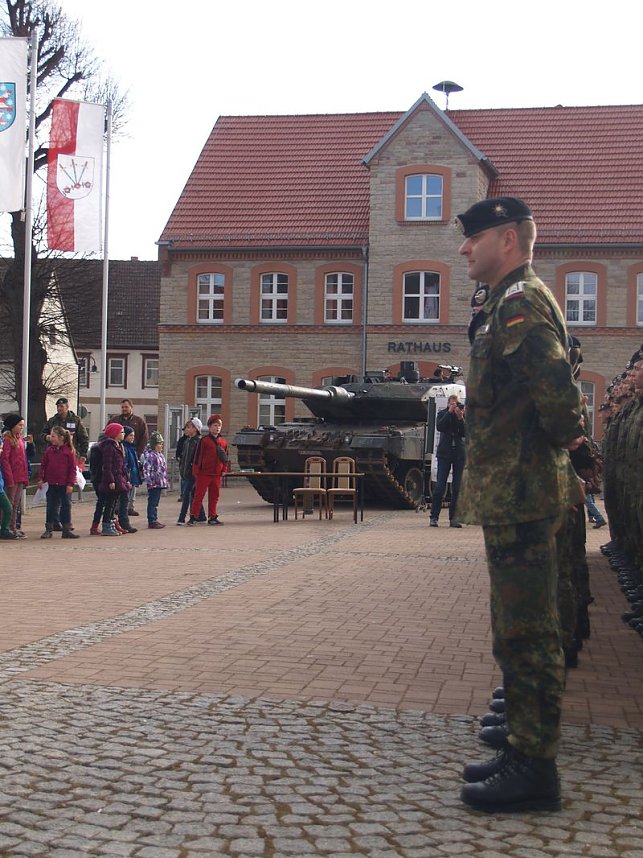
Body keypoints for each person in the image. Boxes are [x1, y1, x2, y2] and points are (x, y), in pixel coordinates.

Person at [454, 197, 585, 813]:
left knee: (529, 632)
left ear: (507, 239)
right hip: (514, 490)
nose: (464, 248)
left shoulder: (520, 303)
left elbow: (560, 401)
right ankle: (521, 749)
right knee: (515, 628)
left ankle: (535, 768)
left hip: (525, 489)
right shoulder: (507, 300)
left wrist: (546, 454)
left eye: (474, 237)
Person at [429, 394, 465, 528]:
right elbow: (440, 427)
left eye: (457, 404)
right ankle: (434, 517)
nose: (455, 406)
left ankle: (454, 518)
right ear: (448, 404)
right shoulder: (443, 414)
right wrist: (450, 413)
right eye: (452, 404)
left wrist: (461, 418)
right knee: (439, 486)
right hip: (444, 454)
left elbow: (465, 432)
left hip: (459, 454)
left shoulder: (462, 415)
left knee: (457, 487)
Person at [37, 426, 80, 539]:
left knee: (66, 506)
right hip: (51, 483)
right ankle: (49, 528)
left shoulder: (69, 451)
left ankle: (66, 529)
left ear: (61, 438)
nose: (51, 438)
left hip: (64, 483)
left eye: (53, 436)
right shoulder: (49, 450)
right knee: (51, 506)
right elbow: (43, 465)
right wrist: (41, 478)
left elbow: (72, 469)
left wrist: (70, 484)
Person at [188, 414, 228, 526]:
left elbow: (225, 457)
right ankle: (193, 516)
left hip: (217, 473)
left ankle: (212, 516)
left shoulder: (223, 441)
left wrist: (224, 469)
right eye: (215, 425)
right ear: (210, 427)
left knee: (214, 496)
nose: (217, 428)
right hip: (204, 473)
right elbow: (198, 456)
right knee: (199, 495)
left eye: (219, 426)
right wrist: (196, 470)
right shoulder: (204, 441)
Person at [113, 399, 148, 516]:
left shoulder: (139, 421)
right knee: (121, 481)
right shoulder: (115, 420)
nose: (124, 409)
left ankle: (130, 506)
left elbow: (144, 438)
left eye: (126, 407)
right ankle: (118, 506)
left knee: (133, 480)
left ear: (131, 407)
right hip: (119, 454)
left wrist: (138, 453)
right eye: (122, 407)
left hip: (133, 455)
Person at [97, 423, 131, 536]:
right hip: (113, 480)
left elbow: (122, 465)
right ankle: (106, 525)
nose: (123, 434)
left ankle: (111, 524)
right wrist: (111, 480)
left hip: (119, 478)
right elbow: (107, 465)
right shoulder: (109, 447)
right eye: (121, 432)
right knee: (110, 503)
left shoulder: (118, 446)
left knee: (114, 502)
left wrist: (126, 478)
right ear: (115, 433)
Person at [0, 414, 29, 538]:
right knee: (10, 503)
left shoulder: (20, 439)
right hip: (12, 476)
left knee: (16, 504)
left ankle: (13, 527)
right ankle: (5, 527)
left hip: (20, 476)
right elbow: (5, 460)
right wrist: (9, 478)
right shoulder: (8, 440)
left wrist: (25, 477)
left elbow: (23, 459)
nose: (22, 427)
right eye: (19, 425)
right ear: (12, 426)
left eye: (22, 425)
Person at [176, 417, 206, 525]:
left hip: (193, 473)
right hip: (186, 472)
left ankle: (182, 517)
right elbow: (184, 457)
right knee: (193, 494)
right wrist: (182, 467)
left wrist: (194, 469)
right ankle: (201, 516)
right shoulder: (187, 441)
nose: (186, 429)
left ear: (195, 429)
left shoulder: (198, 442)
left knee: (186, 495)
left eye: (189, 427)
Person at [141, 431, 168, 529]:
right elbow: (146, 469)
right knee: (152, 502)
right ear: (154, 445)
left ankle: (154, 519)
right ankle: (152, 520)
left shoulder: (160, 455)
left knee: (155, 502)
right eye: (159, 444)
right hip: (153, 483)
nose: (161, 446)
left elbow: (163, 469)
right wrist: (149, 482)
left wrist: (164, 481)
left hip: (159, 482)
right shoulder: (150, 456)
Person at [0, 435, 18, 539]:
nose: (1, 451)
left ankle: (4, 529)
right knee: (7, 507)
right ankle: (4, 529)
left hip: (0, 489)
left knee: (8, 508)